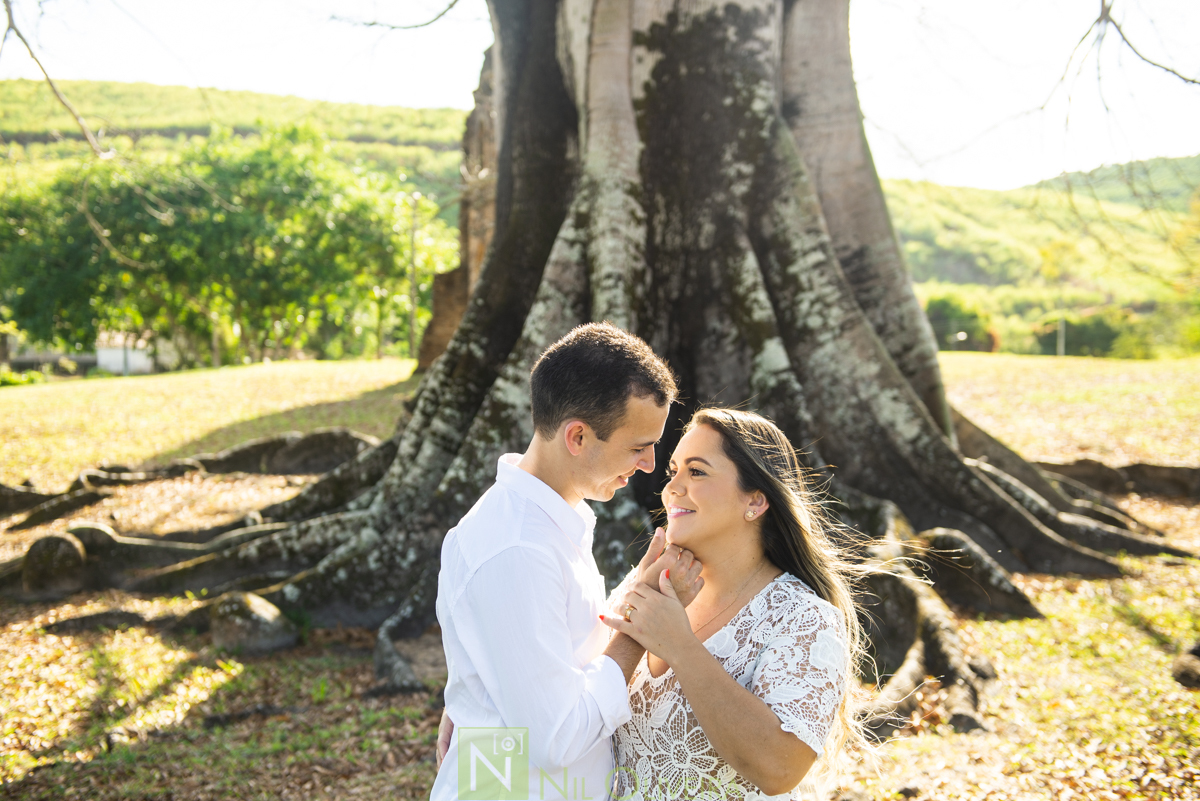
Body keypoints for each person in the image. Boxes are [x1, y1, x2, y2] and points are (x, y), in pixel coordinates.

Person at [429, 322, 705, 801]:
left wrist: (640, 585)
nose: (649, 465)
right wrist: (643, 628)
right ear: (577, 436)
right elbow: (557, 738)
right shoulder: (515, 548)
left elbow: (564, 645)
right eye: (638, 446)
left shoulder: (556, 519)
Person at [600, 408, 867, 801]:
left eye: (697, 471)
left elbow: (779, 769)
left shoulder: (804, 619)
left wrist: (679, 645)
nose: (671, 488)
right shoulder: (645, 585)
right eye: (674, 470)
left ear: (755, 501)